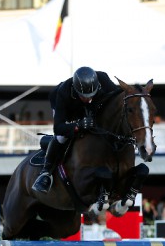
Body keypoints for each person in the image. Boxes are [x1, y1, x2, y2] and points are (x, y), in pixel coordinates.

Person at [32, 66, 119, 194]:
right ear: (76, 89)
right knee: (62, 138)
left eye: (91, 95)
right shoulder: (63, 93)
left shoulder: (103, 79)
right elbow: (58, 128)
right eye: (84, 96)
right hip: (69, 109)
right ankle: (46, 173)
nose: (88, 98)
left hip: (93, 106)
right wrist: (78, 125)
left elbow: (118, 97)